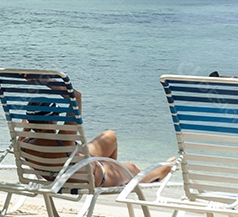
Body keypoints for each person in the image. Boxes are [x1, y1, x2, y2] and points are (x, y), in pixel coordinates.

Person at [19, 76, 173, 188]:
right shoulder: (64, 138)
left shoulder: (23, 144)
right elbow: (75, 96)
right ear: (53, 118)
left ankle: (113, 167)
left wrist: (27, 127)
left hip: (63, 170)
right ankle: (159, 171)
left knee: (109, 136)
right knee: (131, 168)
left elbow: (29, 127)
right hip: (86, 179)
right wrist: (45, 81)